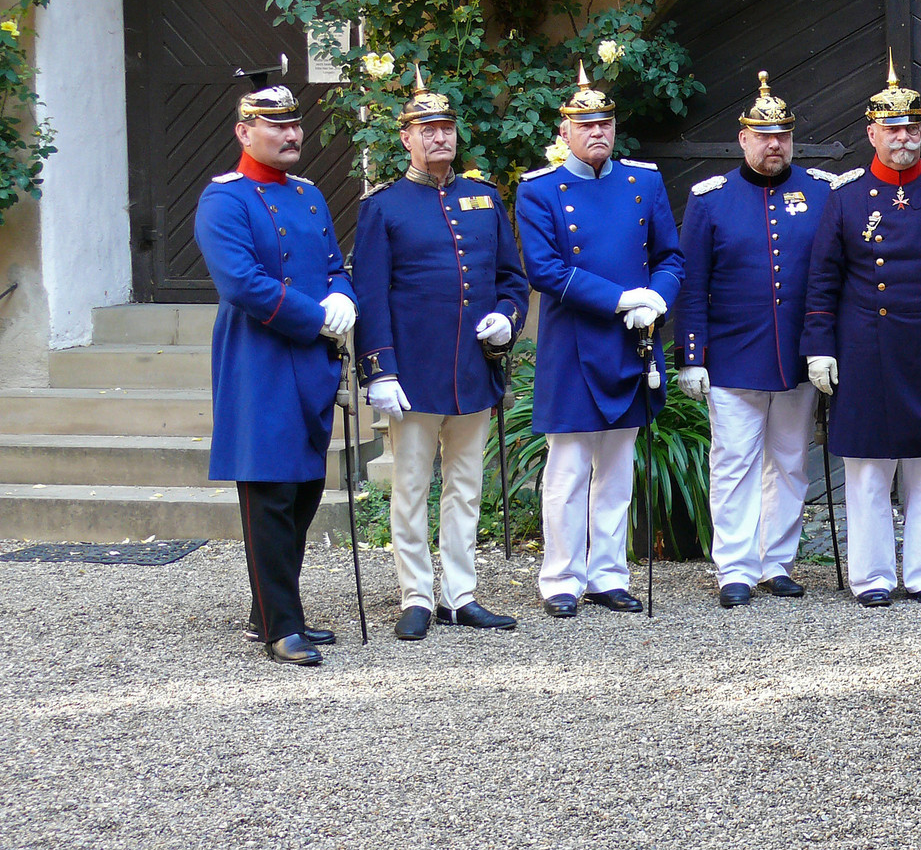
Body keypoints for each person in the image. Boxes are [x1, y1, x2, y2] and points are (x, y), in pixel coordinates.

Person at [802, 58, 921, 607]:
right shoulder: (844, 196)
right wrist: (818, 348)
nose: (903, 138)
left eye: (912, 128)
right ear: (872, 133)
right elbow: (822, 279)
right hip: (866, 348)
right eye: (892, 129)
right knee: (867, 471)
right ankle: (871, 578)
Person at [354, 68, 529, 640]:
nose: (439, 138)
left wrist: (508, 317)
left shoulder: (482, 197)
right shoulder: (384, 206)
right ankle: (416, 595)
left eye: (447, 129)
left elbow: (511, 278)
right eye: (427, 130)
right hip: (414, 373)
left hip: (472, 371)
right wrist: (379, 368)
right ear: (405, 138)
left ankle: (460, 592)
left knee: (467, 484)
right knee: (410, 487)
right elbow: (371, 294)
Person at [196, 73, 355, 666]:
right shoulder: (225, 198)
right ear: (245, 132)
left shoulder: (310, 193)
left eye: (295, 123)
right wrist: (317, 315)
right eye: (278, 125)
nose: (292, 133)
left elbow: (335, 264)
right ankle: (279, 625)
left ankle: (275, 610)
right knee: (269, 491)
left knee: (305, 490)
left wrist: (344, 297)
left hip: (311, 354)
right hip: (260, 358)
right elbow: (241, 282)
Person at [515, 65, 685, 618]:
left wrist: (657, 299)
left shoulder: (644, 182)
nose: (597, 132)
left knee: (617, 467)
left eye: (605, 123)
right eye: (585, 124)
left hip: (634, 341)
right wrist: (620, 300)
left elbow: (670, 258)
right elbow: (544, 269)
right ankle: (561, 578)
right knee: (567, 469)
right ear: (564, 131)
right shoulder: (538, 191)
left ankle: (609, 573)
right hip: (575, 343)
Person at [677, 72, 834, 608]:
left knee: (790, 461)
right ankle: (735, 568)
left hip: (796, 356)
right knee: (735, 463)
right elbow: (693, 283)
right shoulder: (710, 200)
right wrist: (691, 355)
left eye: (783, 135)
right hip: (732, 357)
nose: (775, 145)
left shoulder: (819, 192)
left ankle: (777, 562)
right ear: (743, 139)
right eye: (764, 136)